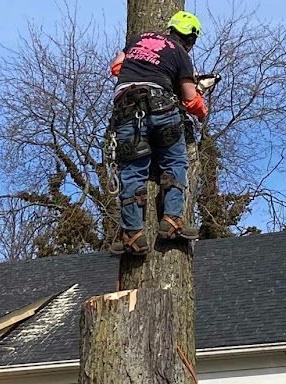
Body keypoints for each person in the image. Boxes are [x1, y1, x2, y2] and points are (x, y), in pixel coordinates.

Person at [108, 10, 208, 256]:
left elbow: (117, 66)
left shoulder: (139, 39)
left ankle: (133, 235)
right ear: (191, 39)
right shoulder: (181, 54)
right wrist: (202, 106)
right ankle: (172, 221)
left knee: (132, 171)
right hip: (162, 105)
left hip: (126, 107)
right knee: (174, 161)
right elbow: (189, 99)